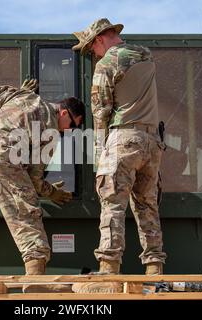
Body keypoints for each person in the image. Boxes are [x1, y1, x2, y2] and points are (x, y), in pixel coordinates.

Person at [71, 18, 167, 293]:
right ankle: (154, 269)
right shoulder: (145, 55)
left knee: (113, 203)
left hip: (123, 139)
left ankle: (109, 269)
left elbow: (100, 111)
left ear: (100, 39)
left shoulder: (106, 65)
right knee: (147, 205)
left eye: (91, 49)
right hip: (152, 142)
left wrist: (100, 152)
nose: (93, 54)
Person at [0, 79, 84, 292]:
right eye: (73, 125)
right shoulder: (51, 130)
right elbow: (35, 180)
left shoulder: (24, 96)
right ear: (64, 113)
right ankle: (34, 283)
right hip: (3, 159)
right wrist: (53, 193)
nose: (70, 131)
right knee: (26, 216)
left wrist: (17, 94)